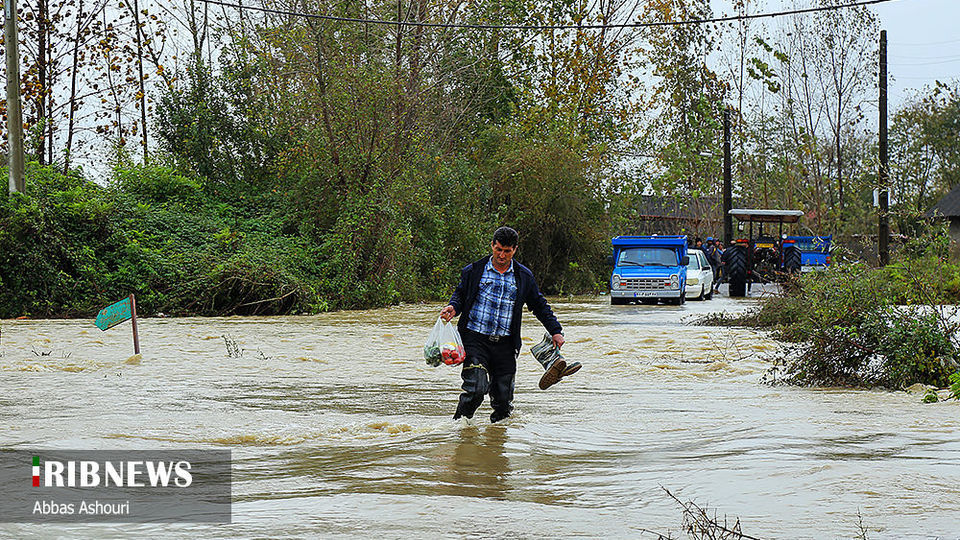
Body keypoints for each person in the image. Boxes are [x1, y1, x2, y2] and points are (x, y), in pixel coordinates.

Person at [440, 226, 579, 423]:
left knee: (503, 401)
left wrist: (555, 331)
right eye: (498, 250)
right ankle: (457, 429)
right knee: (476, 388)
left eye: (507, 251)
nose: (502, 255)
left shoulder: (523, 277)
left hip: (506, 344)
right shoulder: (474, 271)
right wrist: (453, 307)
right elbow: (460, 295)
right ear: (492, 246)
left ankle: (496, 443)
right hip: (474, 340)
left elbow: (539, 305)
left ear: (514, 250)